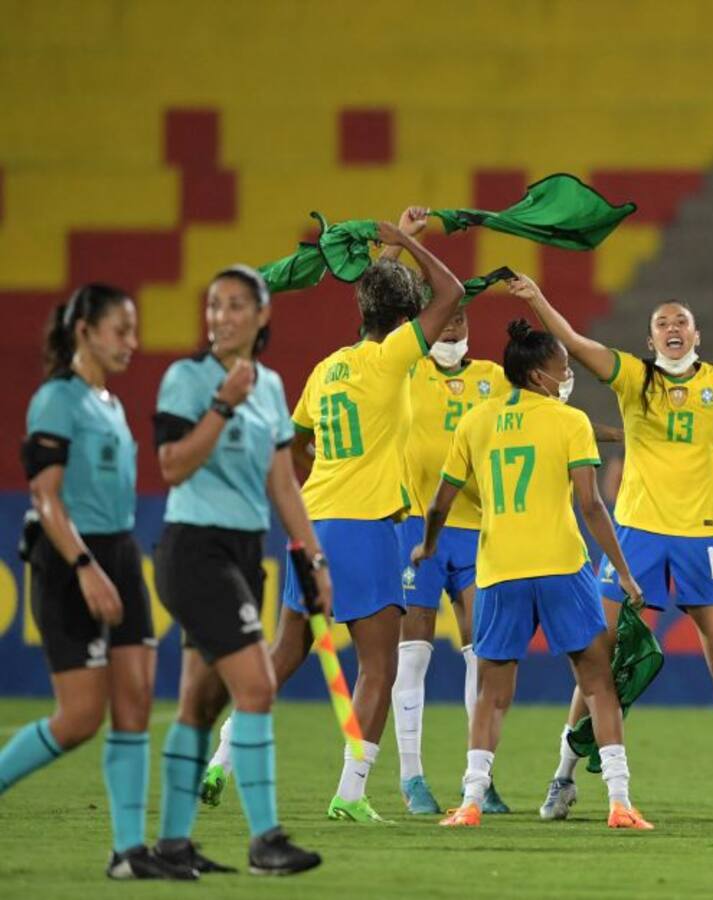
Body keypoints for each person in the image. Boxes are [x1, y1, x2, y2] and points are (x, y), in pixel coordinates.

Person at [199, 211, 464, 825]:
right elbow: (449, 293)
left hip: (312, 522)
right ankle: (351, 792)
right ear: (404, 321)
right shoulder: (394, 357)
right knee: (379, 664)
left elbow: (296, 442)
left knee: (285, 650)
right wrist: (403, 242)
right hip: (369, 527)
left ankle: (221, 759)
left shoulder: (329, 368)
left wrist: (400, 244)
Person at [511, 275, 713, 824]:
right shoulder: (632, 378)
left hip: (703, 536)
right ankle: (564, 776)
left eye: (680, 321)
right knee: (598, 656)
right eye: (661, 323)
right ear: (650, 341)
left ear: (697, 334)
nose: (672, 328)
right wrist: (536, 300)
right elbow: (572, 341)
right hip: (636, 533)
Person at [421, 319, 652, 830]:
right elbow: (591, 506)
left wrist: (428, 545)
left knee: (492, 693)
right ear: (538, 375)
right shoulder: (567, 422)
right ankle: (620, 801)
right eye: (562, 368)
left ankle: (471, 801)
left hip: (500, 570)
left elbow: (441, 502)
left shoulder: (475, 421)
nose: (567, 376)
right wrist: (626, 575)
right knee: (596, 684)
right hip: (562, 568)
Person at [0, 287, 191, 880]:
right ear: (84, 330)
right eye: (121, 330)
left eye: (134, 331)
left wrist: (114, 564)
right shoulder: (56, 400)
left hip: (121, 553)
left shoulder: (107, 402)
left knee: (135, 703)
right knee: (81, 716)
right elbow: (45, 497)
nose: (132, 343)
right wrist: (85, 567)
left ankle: (128, 853)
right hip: (70, 560)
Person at [152, 264, 332, 876]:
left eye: (233, 306)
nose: (219, 318)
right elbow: (172, 466)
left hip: (242, 553)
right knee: (256, 687)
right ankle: (265, 841)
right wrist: (222, 407)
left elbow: (283, 481)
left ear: (261, 317)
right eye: (212, 307)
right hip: (193, 550)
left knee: (198, 705)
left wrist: (311, 555)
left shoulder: (274, 387)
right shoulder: (186, 380)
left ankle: (172, 846)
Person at [392, 304, 512, 815]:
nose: (451, 328)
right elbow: (370, 329)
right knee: (414, 653)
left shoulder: (493, 377)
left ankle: (476, 777)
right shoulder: (406, 368)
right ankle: (411, 778)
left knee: (479, 652)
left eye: (460, 320)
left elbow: (539, 410)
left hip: (474, 528)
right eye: (443, 320)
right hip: (416, 527)